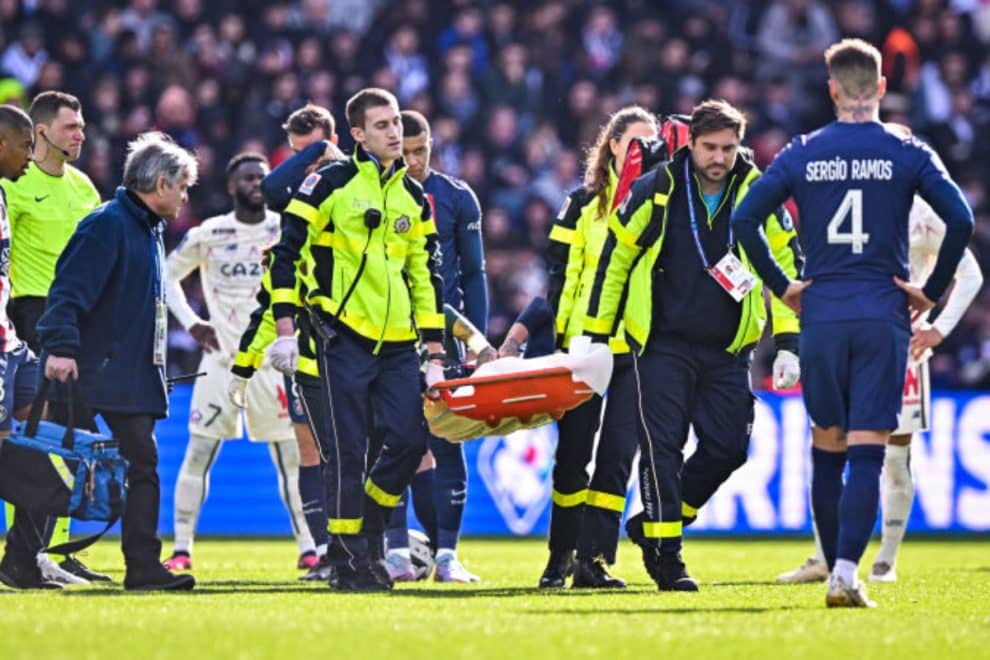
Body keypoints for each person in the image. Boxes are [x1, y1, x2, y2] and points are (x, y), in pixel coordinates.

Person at [733, 39, 974, 608]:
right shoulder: (906, 150)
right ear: (883, 88)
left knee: (827, 448)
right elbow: (960, 219)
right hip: (881, 313)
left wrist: (783, 286)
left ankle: (835, 563)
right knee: (871, 448)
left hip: (822, 311)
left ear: (833, 90)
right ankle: (845, 573)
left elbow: (746, 220)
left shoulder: (803, 150)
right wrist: (929, 292)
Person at [584, 100, 803, 591]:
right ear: (693, 143)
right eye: (710, 147)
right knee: (661, 449)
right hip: (662, 345)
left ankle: (652, 526)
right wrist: (598, 335)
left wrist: (789, 341)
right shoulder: (658, 187)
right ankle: (667, 559)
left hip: (728, 351)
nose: (719, 157)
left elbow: (786, 265)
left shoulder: (757, 192)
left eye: (729, 147)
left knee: (730, 448)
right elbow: (615, 260)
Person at [268, 88, 445, 591]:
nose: (395, 132)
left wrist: (433, 354)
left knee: (410, 443)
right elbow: (286, 255)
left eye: (397, 123)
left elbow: (425, 281)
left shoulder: (413, 196)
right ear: (359, 135)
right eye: (383, 125)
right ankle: (350, 563)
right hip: (340, 338)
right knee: (348, 453)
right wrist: (285, 328)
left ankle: (363, 533)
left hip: (396, 346)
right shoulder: (329, 183)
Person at [37, 131, 200, 591]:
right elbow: (66, 292)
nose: (185, 197)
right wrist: (63, 349)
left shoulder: (145, 227)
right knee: (65, 465)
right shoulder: (107, 224)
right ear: (162, 184)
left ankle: (143, 567)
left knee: (138, 465)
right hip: (89, 370)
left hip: (124, 371)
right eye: (183, 186)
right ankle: (27, 557)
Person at [508, 106, 657, 590]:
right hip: (583, 347)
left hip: (633, 347)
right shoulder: (578, 206)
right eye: (635, 142)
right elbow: (558, 280)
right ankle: (559, 558)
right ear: (611, 144)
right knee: (572, 458)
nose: (643, 152)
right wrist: (535, 336)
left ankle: (593, 562)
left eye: (651, 145)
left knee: (617, 458)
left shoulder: (662, 205)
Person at [161, 153, 315, 572]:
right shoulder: (210, 233)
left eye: (260, 178)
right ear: (231, 187)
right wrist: (192, 323)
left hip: (273, 363)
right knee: (198, 453)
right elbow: (165, 275)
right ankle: (181, 547)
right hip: (222, 359)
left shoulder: (286, 229)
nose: (254, 184)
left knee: (293, 459)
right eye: (246, 178)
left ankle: (309, 544)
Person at [233, 104, 345, 581]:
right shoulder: (293, 220)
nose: (304, 167)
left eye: (311, 155)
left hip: (358, 346)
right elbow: (272, 303)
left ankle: (377, 545)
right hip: (309, 354)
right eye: (296, 155)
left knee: (356, 447)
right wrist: (244, 365)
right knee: (308, 447)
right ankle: (323, 550)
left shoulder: (349, 190)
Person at [0, 90, 103, 585]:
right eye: (70, 127)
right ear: (39, 132)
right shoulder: (14, 187)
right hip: (30, 314)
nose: (81, 134)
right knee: (39, 437)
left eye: (82, 126)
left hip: (80, 320)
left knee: (62, 437)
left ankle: (47, 551)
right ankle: (31, 553)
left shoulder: (85, 187)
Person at [383, 110, 487, 584]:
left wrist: (478, 344)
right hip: (387, 336)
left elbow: (474, 276)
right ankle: (396, 551)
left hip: (446, 339)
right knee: (394, 442)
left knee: (447, 441)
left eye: (421, 151)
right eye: (404, 153)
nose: (413, 161)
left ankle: (447, 557)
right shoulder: (374, 199)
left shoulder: (457, 198)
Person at [0, 105, 61, 590]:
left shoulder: (1, 195)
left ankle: (25, 557)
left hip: (11, 343)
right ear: (4, 143)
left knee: (42, 438)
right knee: (15, 455)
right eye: (25, 147)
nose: (29, 158)